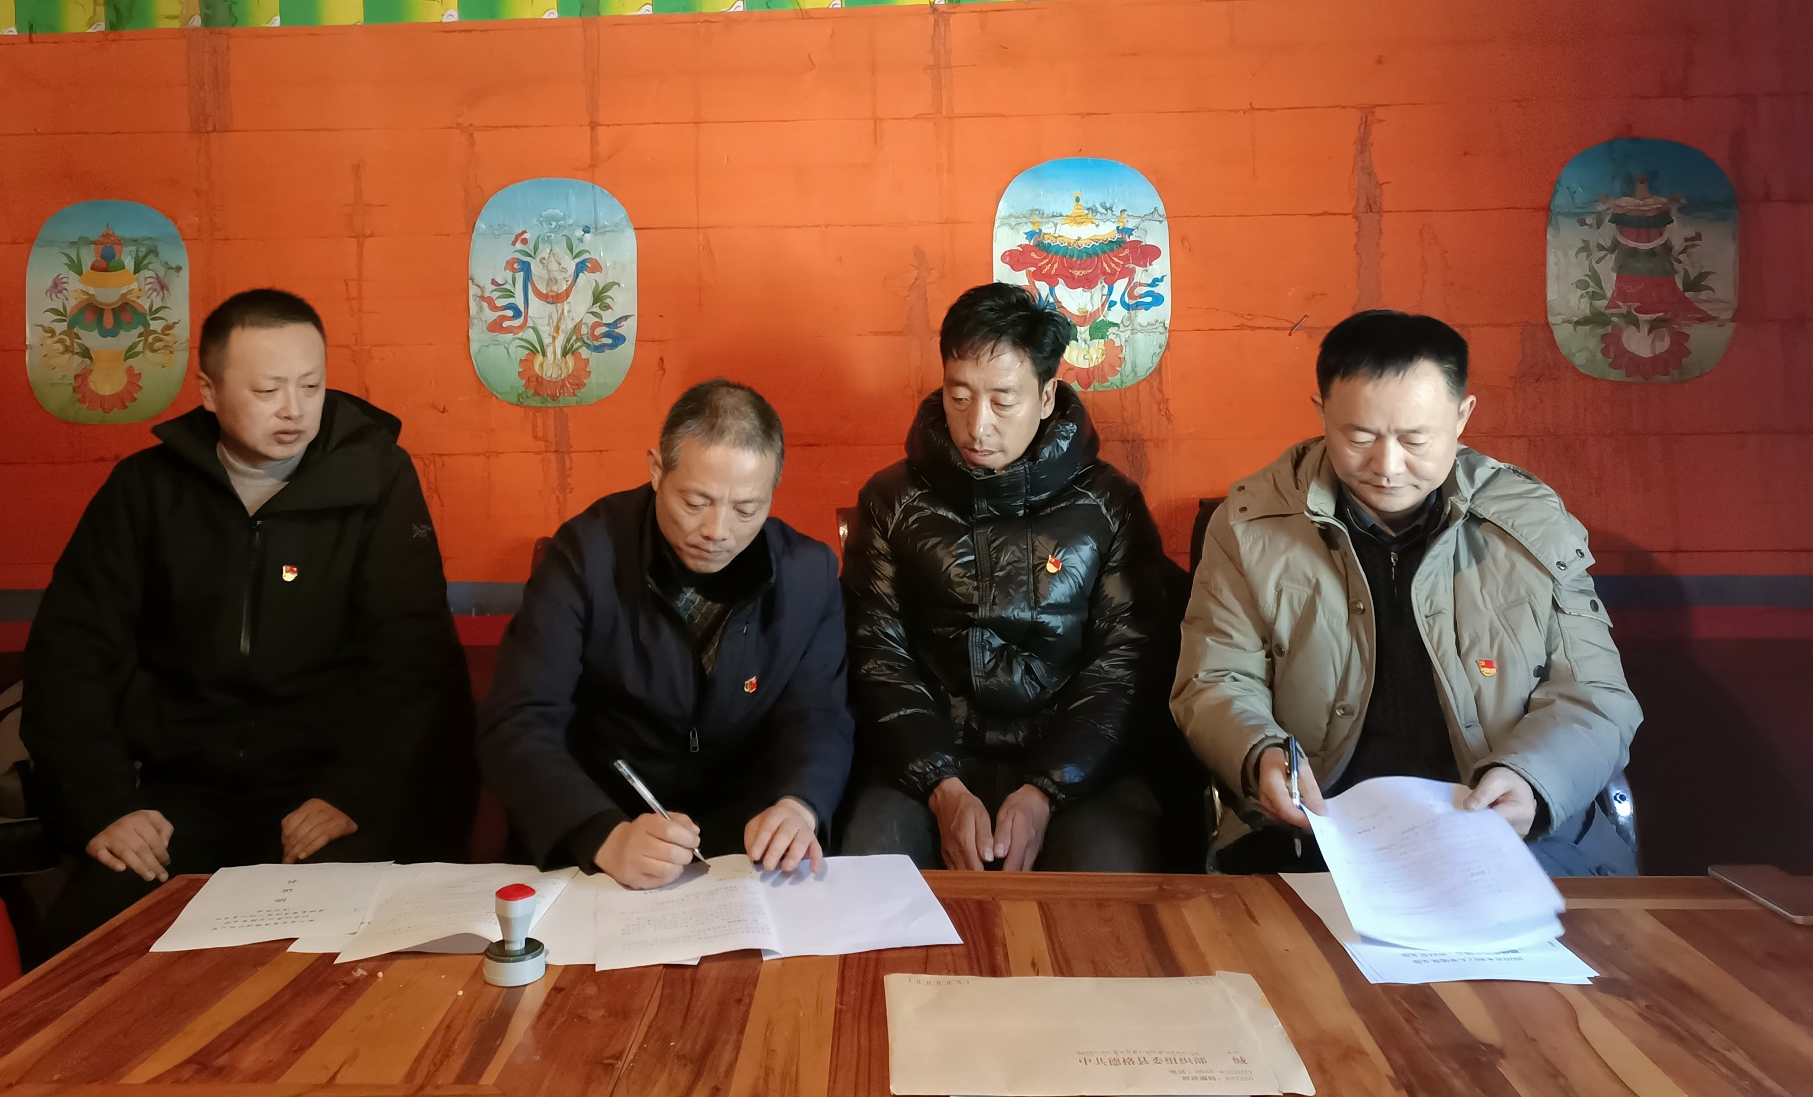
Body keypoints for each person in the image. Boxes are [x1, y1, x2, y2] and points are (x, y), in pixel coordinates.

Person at [24, 289, 476, 951]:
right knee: (86, 947)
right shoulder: (147, 490)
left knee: (353, 947)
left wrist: (353, 793)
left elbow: (411, 657)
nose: (294, 409)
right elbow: (69, 653)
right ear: (208, 392)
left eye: (310, 386)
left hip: (326, 785)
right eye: (268, 390)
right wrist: (107, 806)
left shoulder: (376, 480)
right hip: (187, 789)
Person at [1172, 309, 1644, 876]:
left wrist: (1533, 780)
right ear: (1322, 412)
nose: (1387, 467)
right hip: (1316, 836)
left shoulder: (1531, 524)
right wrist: (1259, 755)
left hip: (1505, 836)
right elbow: (1217, 679)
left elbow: (1594, 693)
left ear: (1462, 416)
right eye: (1359, 436)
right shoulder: (1251, 528)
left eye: (1415, 439)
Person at [841, 283, 1191, 873]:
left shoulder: (1109, 504)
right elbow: (877, 657)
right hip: (927, 760)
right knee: (869, 871)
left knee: (1108, 880)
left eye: (1002, 401)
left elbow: (1123, 666)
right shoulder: (890, 500)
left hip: (1077, 765)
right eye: (959, 397)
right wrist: (942, 788)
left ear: (1047, 396)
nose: (977, 426)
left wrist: (1046, 790)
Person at [477, 380, 852, 889]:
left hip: (743, 849)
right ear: (657, 470)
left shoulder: (807, 574)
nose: (717, 530)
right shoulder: (586, 555)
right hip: (603, 831)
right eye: (695, 502)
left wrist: (799, 803)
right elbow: (518, 720)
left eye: (747, 509)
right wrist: (603, 835)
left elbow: (819, 716)